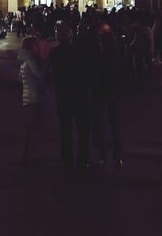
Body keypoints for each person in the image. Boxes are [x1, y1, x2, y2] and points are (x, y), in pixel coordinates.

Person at [47, 25, 92, 169]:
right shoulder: (81, 51)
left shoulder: (54, 53)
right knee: (83, 130)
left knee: (65, 131)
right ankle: (83, 160)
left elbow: (49, 73)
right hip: (80, 94)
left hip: (63, 95)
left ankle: (67, 160)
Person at [91, 25, 126, 167]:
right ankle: (118, 156)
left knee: (103, 126)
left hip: (101, 95)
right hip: (115, 94)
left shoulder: (99, 57)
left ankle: (103, 156)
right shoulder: (118, 57)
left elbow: (95, 77)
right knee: (116, 125)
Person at [19, 37, 45, 165]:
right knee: (33, 128)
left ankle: (28, 154)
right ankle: (29, 155)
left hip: (28, 96)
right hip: (33, 97)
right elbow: (39, 75)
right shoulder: (31, 61)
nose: (38, 47)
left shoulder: (24, 61)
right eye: (36, 45)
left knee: (30, 127)